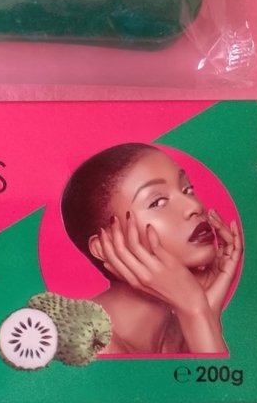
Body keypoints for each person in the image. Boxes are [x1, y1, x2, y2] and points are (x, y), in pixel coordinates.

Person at [61, 143, 242, 354]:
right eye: (158, 202)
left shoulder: (181, 329)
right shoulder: (88, 341)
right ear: (104, 246)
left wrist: (204, 313)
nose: (194, 206)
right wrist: (196, 312)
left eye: (187, 189)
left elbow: (214, 376)